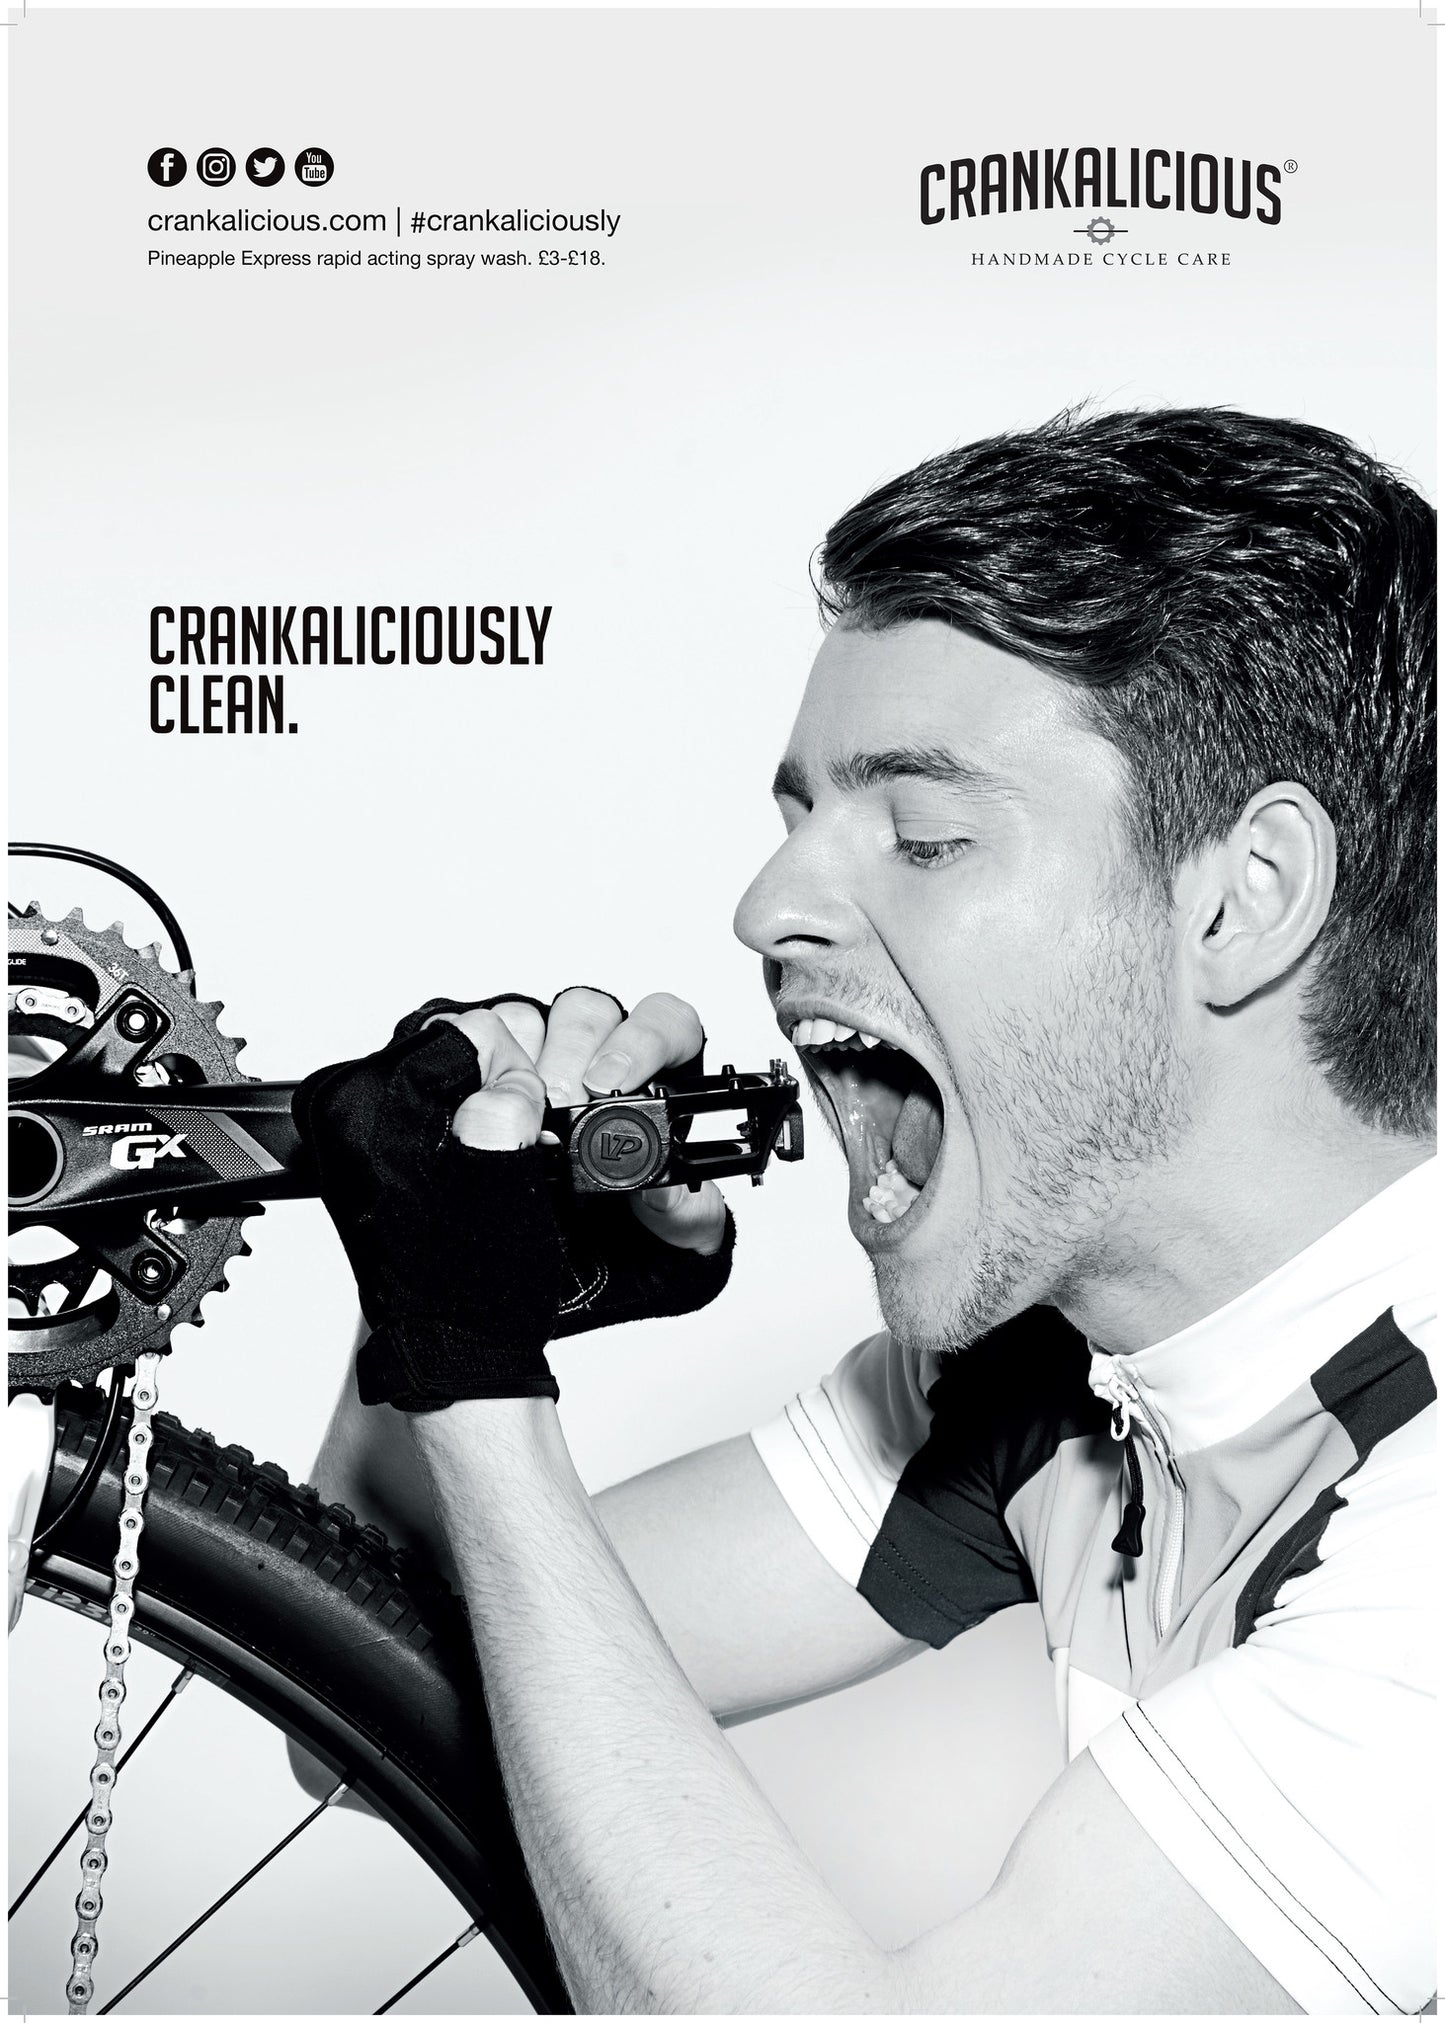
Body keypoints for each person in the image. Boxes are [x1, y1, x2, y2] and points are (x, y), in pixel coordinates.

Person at [298, 407, 1437, 2015]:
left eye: (923, 836)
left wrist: (480, 1395)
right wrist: (443, 1297)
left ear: (1243, 897)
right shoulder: (1045, 1383)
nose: (766, 910)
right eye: (795, 827)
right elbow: (352, 1701)